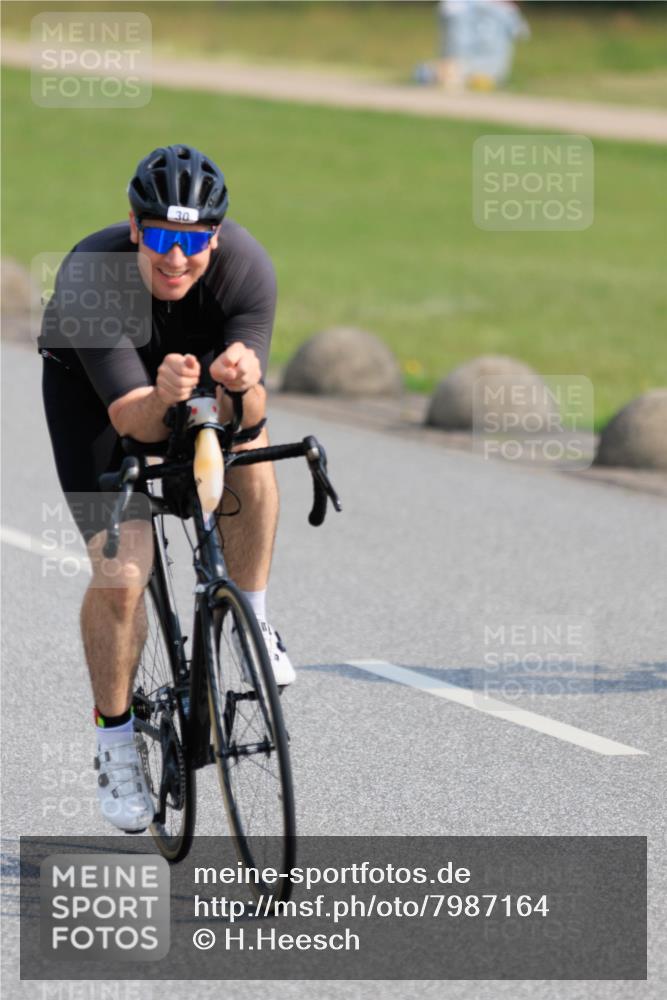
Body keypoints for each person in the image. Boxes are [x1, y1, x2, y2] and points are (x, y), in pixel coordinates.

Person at [38, 143, 295, 834]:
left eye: (190, 240)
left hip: (184, 385)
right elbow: (132, 422)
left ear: (214, 235)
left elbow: (250, 420)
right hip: (96, 400)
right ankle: (116, 742)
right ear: (133, 226)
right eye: (159, 236)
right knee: (122, 573)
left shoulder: (247, 270)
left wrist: (242, 390)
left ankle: (254, 620)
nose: (175, 257)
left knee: (252, 457)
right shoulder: (93, 274)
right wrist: (166, 394)